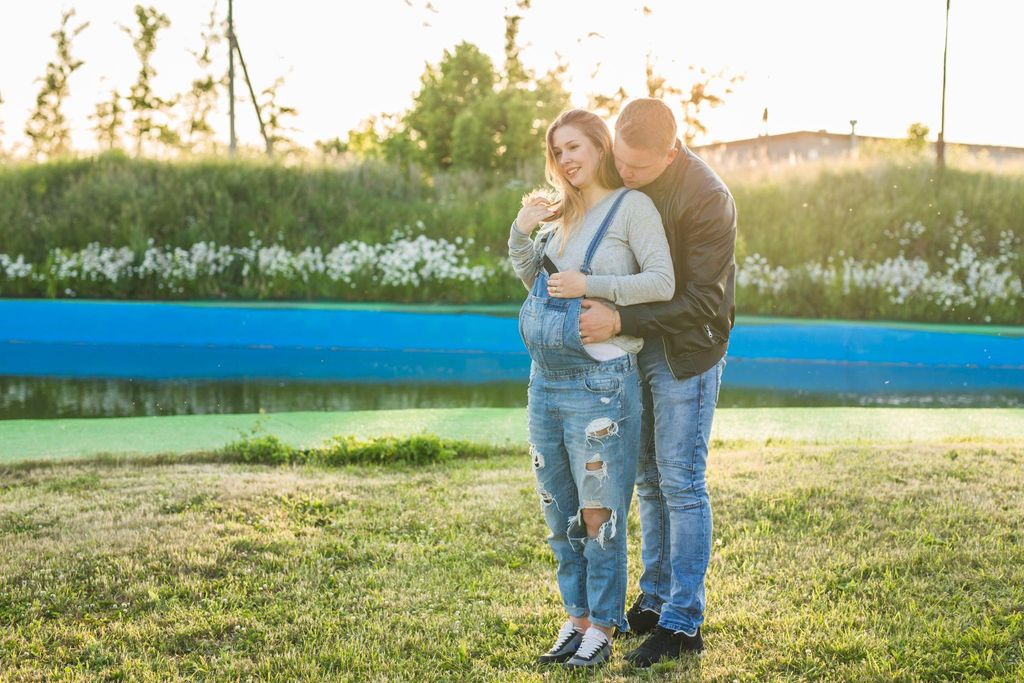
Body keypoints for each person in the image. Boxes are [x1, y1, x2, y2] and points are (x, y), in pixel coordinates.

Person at [507, 108, 675, 668]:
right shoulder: (563, 216)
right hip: (545, 383)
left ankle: (604, 625)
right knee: (560, 512)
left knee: (599, 514)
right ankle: (575, 618)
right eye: (556, 152)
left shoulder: (633, 207)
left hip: (602, 385)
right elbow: (541, 286)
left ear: (601, 146)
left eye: (574, 147)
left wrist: (592, 283)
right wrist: (523, 231)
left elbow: (661, 281)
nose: (565, 160)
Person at [577, 98, 737, 668]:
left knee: (682, 481)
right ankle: (656, 595)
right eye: (620, 162)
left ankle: (683, 622)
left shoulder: (707, 197)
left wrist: (621, 319)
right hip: (638, 350)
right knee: (648, 478)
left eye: (639, 169)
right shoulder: (624, 171)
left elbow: (701, 301)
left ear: (671, 153)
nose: (625, 176)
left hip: (687, 354)